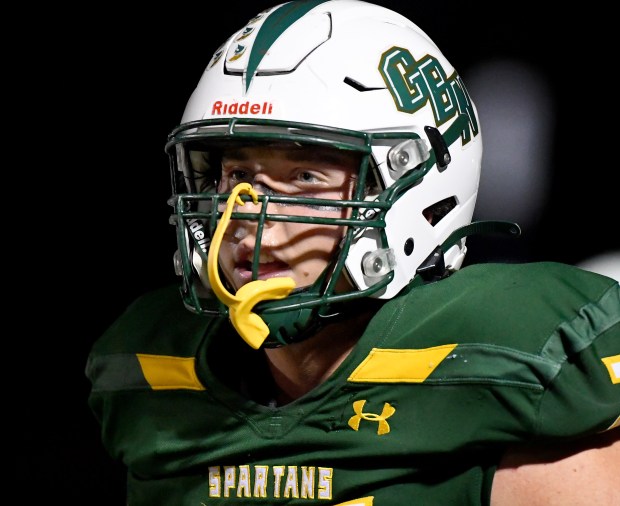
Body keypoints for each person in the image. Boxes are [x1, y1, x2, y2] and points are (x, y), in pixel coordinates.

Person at [86, 1, 620, 504]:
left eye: (306, 176)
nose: (250, 219)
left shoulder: (519, 369)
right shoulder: (151, 376)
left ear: (415, 188)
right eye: (238, 175)